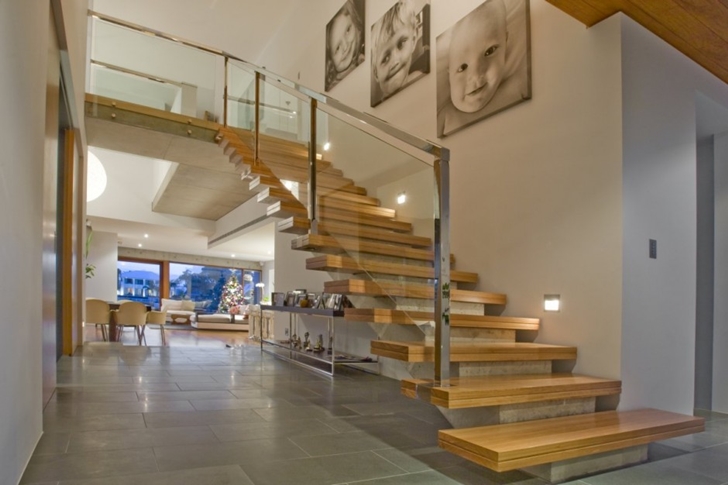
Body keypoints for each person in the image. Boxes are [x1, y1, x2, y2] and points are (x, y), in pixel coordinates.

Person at [437, 0, 529, 137]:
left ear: (506, 40)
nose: (475, 75)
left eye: (489, 51)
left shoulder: (517, 84)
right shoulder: (445, 116)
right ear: (449, 74)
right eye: (462, 67)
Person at [371, 0, 421, 102]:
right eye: (385, 58)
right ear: (376, 73)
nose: (395, 61)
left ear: (414, 40)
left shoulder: (421, 80)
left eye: (401, 44)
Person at [325, 0, 365, 91]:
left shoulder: (360, 57)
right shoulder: (335, 87)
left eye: (347, 30)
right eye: (337, 48)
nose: (345, 47)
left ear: (355, 23)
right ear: (330, 61)